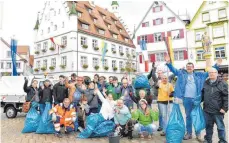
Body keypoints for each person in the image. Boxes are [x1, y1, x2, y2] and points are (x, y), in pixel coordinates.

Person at [164, 54, 221, 141]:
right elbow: (174, 70)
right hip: (186, 99)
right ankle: (189, 133)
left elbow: (210, 71)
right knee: (188, 116)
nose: (189, 68)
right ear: (186, 68)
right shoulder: (181, 73)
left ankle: (198, 133)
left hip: (197, 99)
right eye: (188, 67)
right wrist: (168, 63)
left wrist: (216, 65)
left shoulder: (199, 75)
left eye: (191, 66)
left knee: (197, 115)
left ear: (193, 68)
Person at [202, 68, 228, 143]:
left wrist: (224, 108)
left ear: (217, 73)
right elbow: (203, 95)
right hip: (207, 110)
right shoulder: (205, 83)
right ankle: (208, 140)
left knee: (220, 127)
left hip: (218, 111)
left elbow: (226, 97)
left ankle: (222, 141)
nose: (211, 74)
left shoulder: (222, 83)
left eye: (213, 72)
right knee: (208, 126)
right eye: (210, 73)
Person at [147, 63, 164, 132]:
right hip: (159, 98)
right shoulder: (156, 80)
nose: (159, 74)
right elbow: (153, 74)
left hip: (166, 98)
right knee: (160, 113)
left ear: (163, 73)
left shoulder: (165, 79)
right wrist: (154, 67)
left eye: (160, 73)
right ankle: (161, 126)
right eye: (158, 73)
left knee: (165, 113)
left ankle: (165, 125)